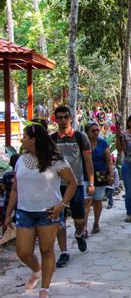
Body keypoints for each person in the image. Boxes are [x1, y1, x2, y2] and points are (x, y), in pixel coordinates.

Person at [4, 124, 77, 298]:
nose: (22, 140)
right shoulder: (21, 160)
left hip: (48, 212)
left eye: (25, 137)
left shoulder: (56, 160)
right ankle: (37, 270)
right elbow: (15, 189)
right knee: (23, 252)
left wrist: (62, 205)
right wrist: (8, 214)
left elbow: (72, 183)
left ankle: (44, 288)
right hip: (25, 212)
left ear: (34, 140)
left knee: (46, 250)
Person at [50, 106, 95, 268]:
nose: (63, 120)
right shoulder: (51, 139)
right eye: (59, 117)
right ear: (55, 119)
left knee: (79, 219)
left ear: (70, 118)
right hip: (57, 186)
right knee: (59, 220)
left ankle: (78, 234)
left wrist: (91, 182)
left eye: (65, 117)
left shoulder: (80, 137)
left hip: (76, 184)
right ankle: (64, 252)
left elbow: (88, 163)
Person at [83, 123, 114, 236]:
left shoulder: (102, 143)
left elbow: (109, 160)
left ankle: (96, 223)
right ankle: (84, 227)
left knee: (98, 200)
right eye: (93, 130)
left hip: (101, 173)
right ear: (87, 132)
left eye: (97, 130)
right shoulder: (83, 143)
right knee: (86, 201)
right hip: (85, 175)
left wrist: (111, 174)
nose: (96, 132)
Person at [1, 154, 20, 235]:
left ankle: (4, 235)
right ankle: (18, 235)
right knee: (18, 219)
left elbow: (3, 188)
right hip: (20, 201)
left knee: (6, 218)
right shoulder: (21, 175)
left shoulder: (7, 175)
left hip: (8, 200)